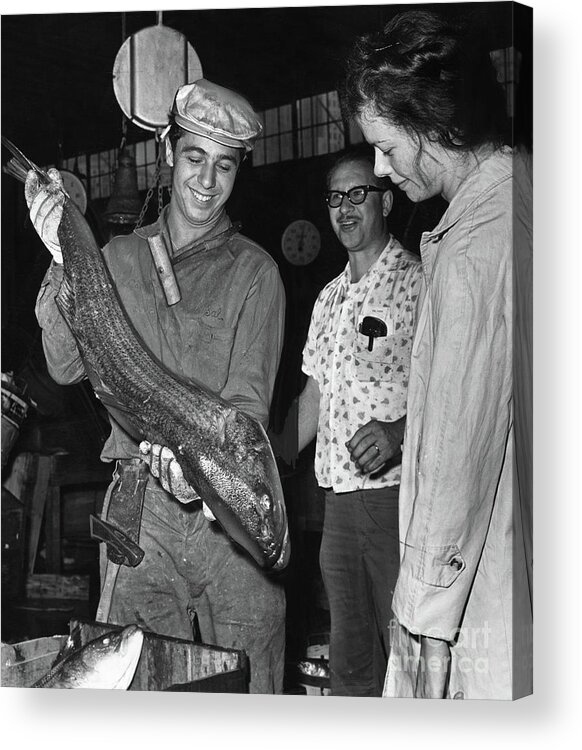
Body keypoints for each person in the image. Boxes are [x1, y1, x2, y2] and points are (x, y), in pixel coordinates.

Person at [29, 79, 287, 694]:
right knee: (135, 690)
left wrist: (200, 470)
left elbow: (244, 416)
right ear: (167, 151)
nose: (207, 180)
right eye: (195, 157)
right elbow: (65, 366)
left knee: (253, 685)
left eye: (225, 165)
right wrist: (64, 259)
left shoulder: (257, 274)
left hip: (230, 524)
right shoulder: (116, 258)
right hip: (140, 512)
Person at [341, 9, 533, 699]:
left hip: (473, 596)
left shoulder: (476, 247)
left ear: (440, 128)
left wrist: (419, 618)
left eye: (388, 149)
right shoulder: (529, 193)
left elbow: (456, 454)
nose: (380, 171)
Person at [277, 145, 422, 696]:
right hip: (336, 505)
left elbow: (455, 387)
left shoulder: (417, 281)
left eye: (358, 193)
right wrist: (267, 460)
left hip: (395, 500)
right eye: (336, 196)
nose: (345, 207)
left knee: (409, 659)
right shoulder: (328, 298)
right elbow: (315, 394)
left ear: (384, 200)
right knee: (351, 658)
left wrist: (398, 433)